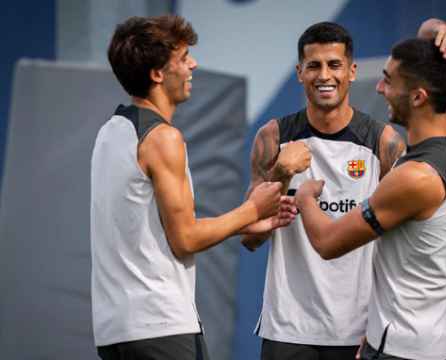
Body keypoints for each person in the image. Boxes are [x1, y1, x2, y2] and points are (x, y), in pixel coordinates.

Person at [90, 15, 294, 360]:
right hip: (161, 329)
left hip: (116, 331)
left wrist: (242, 226)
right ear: (157, 74)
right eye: (183, 58)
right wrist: (253, 208)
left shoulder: (110, 131)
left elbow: (152, 233)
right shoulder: (163, 138)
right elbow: (185, 239)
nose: (193, 65)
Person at [294, 19, 446, 360]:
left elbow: (328, 243)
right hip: (431, 341)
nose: (379, 88)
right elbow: (428, 34)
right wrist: (435, 31)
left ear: (419, 97)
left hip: (401, 351)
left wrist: (305, 195)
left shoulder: (414, 179)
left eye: (389, 81)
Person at [241, 22, 405, 360]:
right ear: (300, 72)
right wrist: (281, 173)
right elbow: (250, 237)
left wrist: (382, 323)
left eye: (334, 65)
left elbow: (399, 244)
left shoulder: (384, 142)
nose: (324, 75)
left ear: (351, 71)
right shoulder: (272, 137)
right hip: (288, 327)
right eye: (313, 65)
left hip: (358, 329)